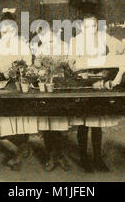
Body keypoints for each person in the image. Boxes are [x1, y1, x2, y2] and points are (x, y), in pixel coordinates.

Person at [0, 10, 37, 171]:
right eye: (4, 28)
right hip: (1, 85)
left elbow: (29, 65)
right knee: (5, 122)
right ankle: (22, 148)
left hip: (19, 85)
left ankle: (20, 152)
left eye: (11, 28)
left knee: (21, 120)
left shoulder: (22, 44)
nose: (7, 31)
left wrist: (19, 71)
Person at [68, 10, 125, 173]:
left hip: (100, 81)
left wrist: (109, 65)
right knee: (83, 123)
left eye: (93, 25)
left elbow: (120, 48)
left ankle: (98, 158)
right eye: (87, 26)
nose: (90, 29)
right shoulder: (75, 40)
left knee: (96, 122)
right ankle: (84, 157)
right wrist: (79, 71)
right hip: (83, 82)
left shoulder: (103, 37)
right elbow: (71, 63)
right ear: (80, 26)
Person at [31, 26, 71, 172]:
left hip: (59, 86)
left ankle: (60, 155)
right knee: (47, 122)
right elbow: (35, 67)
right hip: (45, 86)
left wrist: (62, 66)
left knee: (59, 123)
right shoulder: (41, 48)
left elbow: (68, 66)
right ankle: (50, 155)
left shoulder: (64, 46)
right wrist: (38, 65)